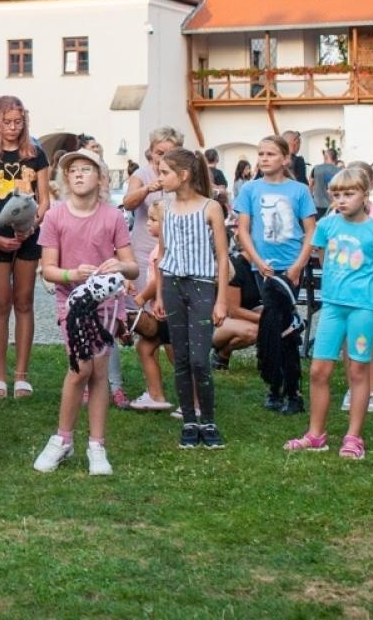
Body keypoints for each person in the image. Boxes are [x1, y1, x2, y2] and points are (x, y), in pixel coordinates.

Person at [32, 149, 137, 476]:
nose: (78, 175)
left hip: (106, 304)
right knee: (80, 369)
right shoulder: (55, 217)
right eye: (73, 170)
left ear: (100, 178)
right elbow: (47, 270)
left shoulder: (113, 217)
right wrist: (71, 274)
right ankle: (62, 439)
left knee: (99, 372)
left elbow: (132, 267)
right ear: (65, 179)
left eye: (86, 169)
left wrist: (119, 265)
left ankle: (97, 445)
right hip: (71, 303)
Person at [283, 168, 373, 460]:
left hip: (365, 309)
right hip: (333, 307)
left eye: (349, 194)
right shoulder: (327, 226)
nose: (342, 200)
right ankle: (315, 434)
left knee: (358, 372)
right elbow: (322, 257)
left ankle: (353, 436)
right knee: (319, 370)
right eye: (337, 195)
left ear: (365, 194)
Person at [232, 134, 317, 413]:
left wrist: (297, 266)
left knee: (283, 325)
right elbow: (243, 229)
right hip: (263, 267)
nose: (264, 159)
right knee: (274, 324)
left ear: (285, 158)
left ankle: (289, 389)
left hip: (290, 267)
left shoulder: (299, 191)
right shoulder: (250, 190)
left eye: (270, 154)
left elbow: (310, 231)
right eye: (261, 154)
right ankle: (276, 384)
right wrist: (256, 260)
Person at [154, 148, 230, 449]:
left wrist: (221, 298)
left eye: (164, 173)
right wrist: (159, 294)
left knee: (200, 359)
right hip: (173, 285)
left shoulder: (210, 208)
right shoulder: (163, 208)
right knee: (181, 358)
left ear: (183, 175)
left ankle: (207, 419)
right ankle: (188, 420)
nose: (159, 178)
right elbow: (162, 254)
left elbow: (222, 257)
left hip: (201, 285)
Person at [0, 95, 50, 401]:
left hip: (27, 236)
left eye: (18, 122)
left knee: (23, 302)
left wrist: (31, 227)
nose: (12, 127)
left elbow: (45, 199)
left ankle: (21, 376)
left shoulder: (36, 154)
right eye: (7, 122)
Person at [121, 127, 181, 412]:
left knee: (169, 331)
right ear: (150, 152)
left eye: (169, 153)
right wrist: (149, 188)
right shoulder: (142, 175)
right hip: (145, 255)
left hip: (174, 259)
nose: (162, 159)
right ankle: (156, 392)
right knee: (148, 331)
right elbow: (128, 202)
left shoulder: (182, 175)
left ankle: (189, 391)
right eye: (159, 153)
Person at [309, 147, 341, 214]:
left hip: (318, 204)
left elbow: (310, 184)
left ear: (326, 157)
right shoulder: (340, 171)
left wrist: (311, 199)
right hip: (335, 205)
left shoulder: (316, 168)